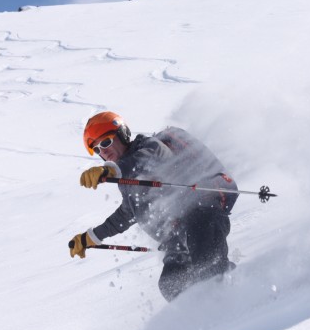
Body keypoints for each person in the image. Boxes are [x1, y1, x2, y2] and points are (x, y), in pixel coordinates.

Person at [69, 111, 238, 301]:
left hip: (203, 214)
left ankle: (243, 296)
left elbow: (146, 159)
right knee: (170, 285)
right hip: (176, 240)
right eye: (97, 149)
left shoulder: (149, 147)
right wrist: (91, 237)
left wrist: (113, 170)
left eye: (106, 142)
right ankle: (207, 322)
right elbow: (127, 213)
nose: (103, 151)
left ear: (122, 135)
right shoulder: (125, 180)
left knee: (208, 269)